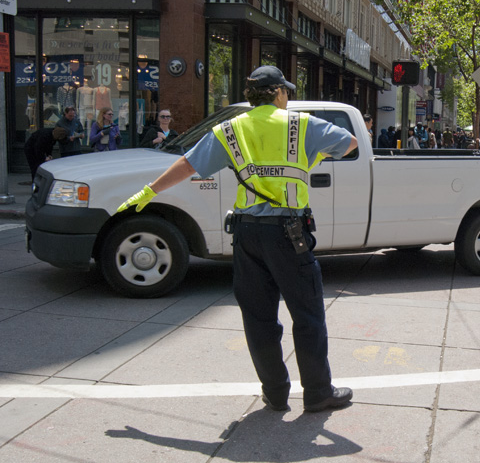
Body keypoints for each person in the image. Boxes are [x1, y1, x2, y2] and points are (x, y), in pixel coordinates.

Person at [117, 66, 357, 413]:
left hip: (247, 235)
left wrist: (150, 190)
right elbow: (349, 143)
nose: (287, 98)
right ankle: (318, 393)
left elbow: (188, 164)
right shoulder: (302, 125)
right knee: (307, 314)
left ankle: (275, 393)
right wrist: (313, 155)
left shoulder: (230, 130)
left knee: (258, 318)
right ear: (278, 93)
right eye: (285, 92)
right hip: (290, 234)